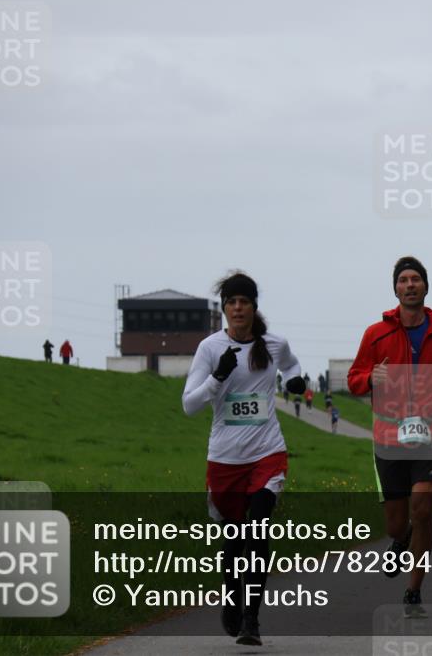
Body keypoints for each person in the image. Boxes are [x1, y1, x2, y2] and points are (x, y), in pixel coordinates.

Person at [181, 271, 305, 646]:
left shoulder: (273, 343)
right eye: (231, 302)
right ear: (224, 309)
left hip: (267, 453)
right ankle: (232, 595)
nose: (238, 308)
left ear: (254, 307)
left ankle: (252, 618)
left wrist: (296, 381)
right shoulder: (209, 348)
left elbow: (292, 365)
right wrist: (217, 378)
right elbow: (189, 405)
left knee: (258, 528)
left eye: (244, 301)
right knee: (234, 539)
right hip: (224, 458)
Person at [347, 256, 432, 618]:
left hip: (431, 430)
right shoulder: (375, 334)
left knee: (423, 509)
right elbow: (354, 379)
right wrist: (372, 378)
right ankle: (399, 541)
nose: (410, 284)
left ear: (425, 287)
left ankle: (414, 590)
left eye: (416, 279)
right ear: (396, 288)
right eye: (404, 280)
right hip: (389, 432)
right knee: (397, 522)